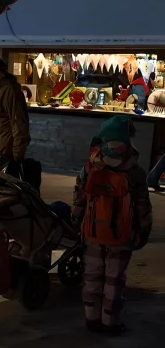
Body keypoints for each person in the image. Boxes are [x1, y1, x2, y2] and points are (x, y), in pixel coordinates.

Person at [72, 115, 152, 336]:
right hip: (122, 235)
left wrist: (77, 221)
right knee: (114, 280)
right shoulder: (134, 170)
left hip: (93, 232)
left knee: (92, 276)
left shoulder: (91, 165)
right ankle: (110, 322)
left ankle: (91, 319)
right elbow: (142, 205)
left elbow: (79, 197)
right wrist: (143, 230)